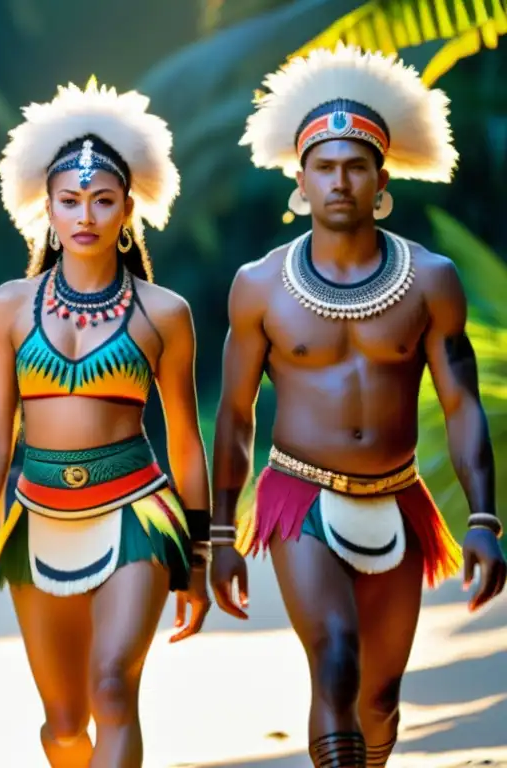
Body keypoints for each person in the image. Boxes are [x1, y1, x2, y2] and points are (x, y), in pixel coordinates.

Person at [211, 44, 507, 768]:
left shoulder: (430, 280)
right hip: (297, 497)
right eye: (324, 166)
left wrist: (483, 518)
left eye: (355, 166)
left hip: (398, 500)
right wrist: (221, 533)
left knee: (379, 698)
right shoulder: (258, 286)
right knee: (335, 660)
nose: (339, 180)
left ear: (381, 180)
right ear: (300, 179)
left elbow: (461, 402)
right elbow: (237, 414)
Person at [0, 77, 212, 768]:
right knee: (64, 725)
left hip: (138, 512)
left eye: (102, 200)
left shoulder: (165, 313)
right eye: (70, 201)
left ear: (129, 209)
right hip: (35, 516)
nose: (86, 214)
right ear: (48, 210)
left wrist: (201, 554)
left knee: (112, 690)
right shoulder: (8, 305)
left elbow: (185, 437)